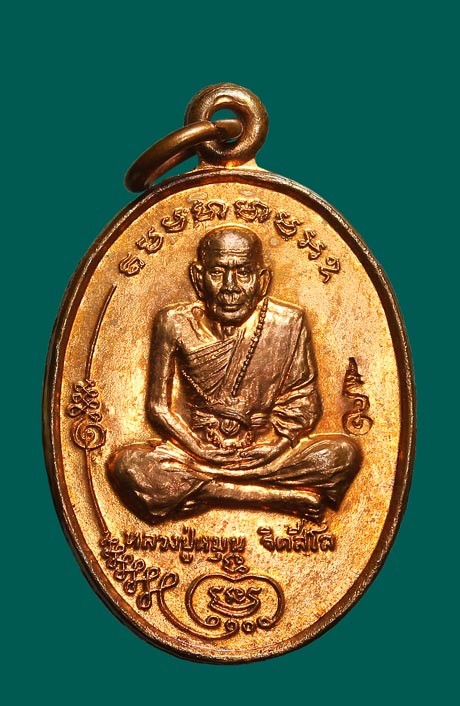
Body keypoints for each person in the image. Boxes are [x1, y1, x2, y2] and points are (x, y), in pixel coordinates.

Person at [108, 225, 361, 523]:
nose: (230, 286)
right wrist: (199, 449)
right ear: (198, 278)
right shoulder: (174, 323)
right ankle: (277, 498)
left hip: (264, 456)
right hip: (194, 455)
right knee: (129, 465)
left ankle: (208, 493)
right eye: (218, 272)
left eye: (243, 272)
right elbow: (158, 407)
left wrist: (274, 447)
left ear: (262, 280)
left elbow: (303, 400)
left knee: (342, 454)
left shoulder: (287, 323)